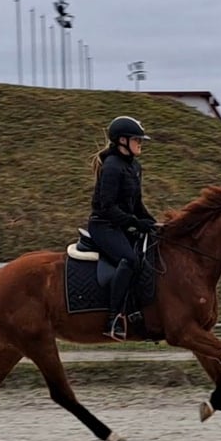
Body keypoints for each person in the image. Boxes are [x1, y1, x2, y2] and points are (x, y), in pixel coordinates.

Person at [88, 116, 157, 340]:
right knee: (130, 260)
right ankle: (113, 318)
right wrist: (136, 223)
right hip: (104, 226)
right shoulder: (111, 167)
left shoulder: (134, 167)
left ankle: (137, 309)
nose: (140, 143)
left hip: (122, 225)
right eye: (137, 139)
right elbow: (107, 207)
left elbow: (136, 204)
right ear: (122, 141)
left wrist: (152, 223)